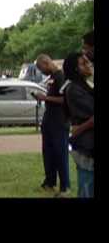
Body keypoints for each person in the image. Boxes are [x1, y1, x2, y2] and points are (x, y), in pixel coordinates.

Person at [35, 54, 70, 197]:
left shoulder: (61, 77)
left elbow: (64, 99)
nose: (42, 72)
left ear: (46, 63)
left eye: (41, 68)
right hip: (49, 120)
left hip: (59, 121)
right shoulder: (52, 78)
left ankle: (65, 186)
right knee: (48, 153)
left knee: (60, 153)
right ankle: (50, 181)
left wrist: (45, 97)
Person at [63, 52, 94, 197]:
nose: (89, 65)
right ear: (75, 69)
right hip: (86, 145)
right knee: (87, 187)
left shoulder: (87, 84)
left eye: (88, 62)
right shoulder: (74, 89)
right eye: (84, 63)